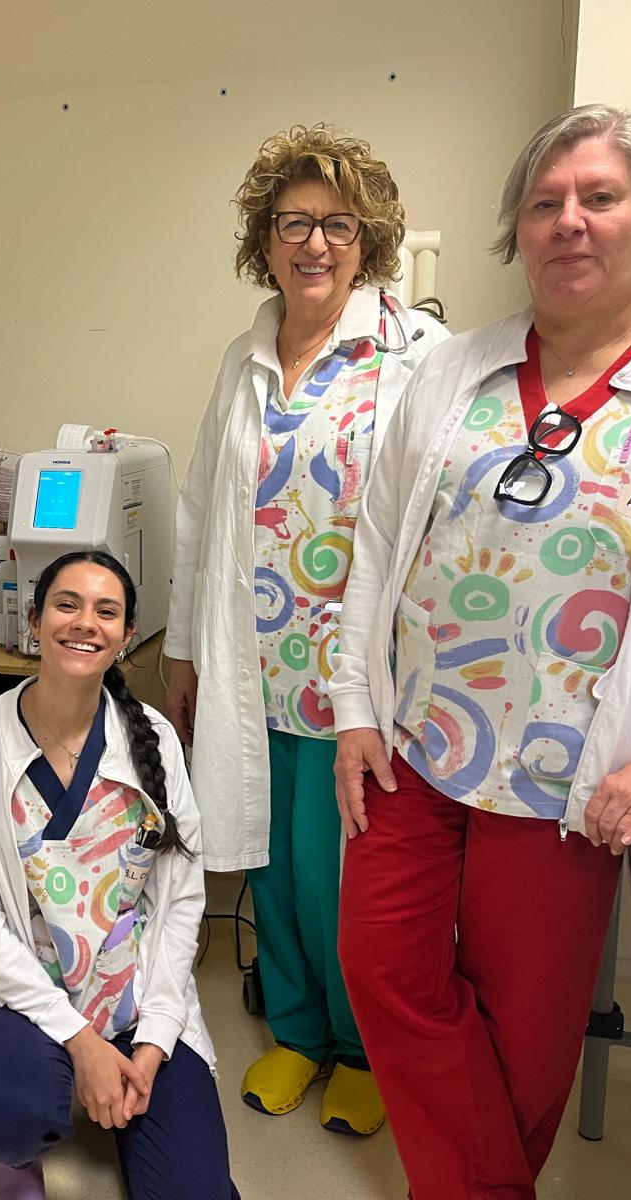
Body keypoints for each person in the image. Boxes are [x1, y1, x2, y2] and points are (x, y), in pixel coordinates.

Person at [328, 104, 631, 1200]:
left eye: (600, 197)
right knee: (383, 968)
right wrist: (355, 705)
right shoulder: (452, 373)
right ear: (517, 228)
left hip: (569, 777)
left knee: (529, 1034)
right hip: (416, 746)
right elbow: (376, 544)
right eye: (545, 203)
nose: (570, 222)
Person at [164, 124, 447, 1134]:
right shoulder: (243, 359)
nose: (314, 243)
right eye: (292, 223)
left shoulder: (413, 357)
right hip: (255, 668)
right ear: (264, 240)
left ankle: (362, 1048)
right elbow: (199, 510)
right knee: (273, 863)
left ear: (368, 239)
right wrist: (183, 650)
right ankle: (294, 1033)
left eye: (337, 224)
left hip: (358, 678)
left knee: (349, 877)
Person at [0, 551, 238, 1200]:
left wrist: (155, 1037)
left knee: (195, 1191)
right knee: (12, 1114)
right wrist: (82, 1043)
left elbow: (182, 899)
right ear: (34, 621)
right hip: (22, 985)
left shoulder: (152, 738)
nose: (84, 623)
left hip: (132, 984)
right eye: (66, 605)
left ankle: (121, 1078)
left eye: (106, 611)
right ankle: (17, 1150)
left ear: (127, 635)